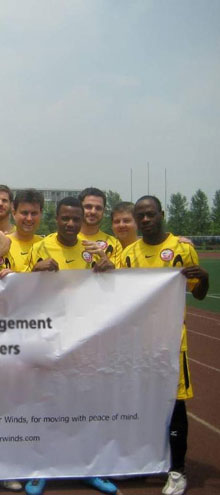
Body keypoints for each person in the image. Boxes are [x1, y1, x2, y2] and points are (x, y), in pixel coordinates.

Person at [26, 197, 116, 495]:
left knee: (84, 405)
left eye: (76, 219)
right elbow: (16, 292)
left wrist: (109, 269)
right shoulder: (41, 247)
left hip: (83, 341)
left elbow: (109, 292)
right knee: (46, 404)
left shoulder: (92, 251)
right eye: (65, 218)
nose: (70, 224)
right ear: (56, 218)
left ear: (83, 221)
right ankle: (41, 469)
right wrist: (34, 271)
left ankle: (87, 467)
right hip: (49, 338)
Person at [122, 196, 209, 495]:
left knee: (175, 405)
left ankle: (177, 469)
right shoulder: (129, 253)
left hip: (172, 343)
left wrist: (204, 277)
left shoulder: (183, 249)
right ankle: (143, 462)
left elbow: (198, 294)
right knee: (141, 403)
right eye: (140, 215)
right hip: (139, 345)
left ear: (161, 214)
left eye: (150, 214)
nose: (145, 220)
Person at [77, 187, 122, 267]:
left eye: (98, 208)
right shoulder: (63, 240)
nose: (93, 212)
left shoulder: (114, 244)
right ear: (78, 208)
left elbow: (117, 277)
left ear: (103, 211)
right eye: (88, 207)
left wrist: (104, 257)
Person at [6, 189, 44, 273]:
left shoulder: (46, 246)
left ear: (41, 214)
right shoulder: (2, 245)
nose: (29, 219)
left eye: (34, 213)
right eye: (24, 213)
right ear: (14, 213)